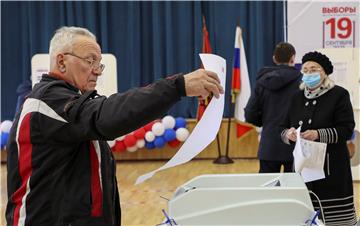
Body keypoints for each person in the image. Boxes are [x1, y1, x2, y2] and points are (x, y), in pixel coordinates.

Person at [6, 26, 224, 226]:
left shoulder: (71, 104)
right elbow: (107, 116)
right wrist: (178, 87)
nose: (97, 71)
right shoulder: (48, 101)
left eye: (98, 63)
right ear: (61, 62)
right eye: (90, 61)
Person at [281, 51, 357, 225]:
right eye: (305, 70)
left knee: (333, 219)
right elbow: (281, 127)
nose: (308, 73)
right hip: (302, 169)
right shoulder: (295, 97)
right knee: (304, 216)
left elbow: (346, 129)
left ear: (325, 72)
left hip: (331, 170)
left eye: (313, 69)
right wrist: (288, 134)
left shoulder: (339, 94)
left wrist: (318, 134)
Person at [244, 42, 301, 173]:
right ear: (293, 58)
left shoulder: (262, 82)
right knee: (292, 191)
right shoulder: (302, 81)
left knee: (267, 191)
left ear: (274, 58)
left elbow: (250, 113)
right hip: (294, 144)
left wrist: (265, 123)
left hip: (269, 145)